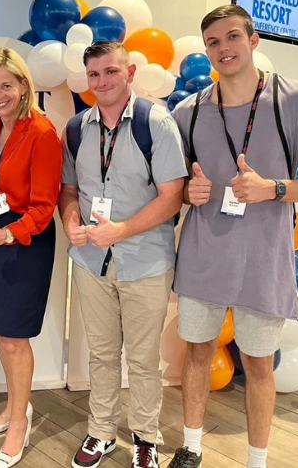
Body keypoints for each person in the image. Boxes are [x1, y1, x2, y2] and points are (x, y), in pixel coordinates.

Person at [168, 5, 298, 468]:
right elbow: (171, 184)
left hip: (264, 259)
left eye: (231, 38)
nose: (223, 49)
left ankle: (257, 460)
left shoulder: (296, 99)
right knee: (198, 353)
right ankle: (191, 446)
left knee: (260, 365)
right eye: (213, 42)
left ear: (253, 40)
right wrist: (188, 188)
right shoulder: (190, 110)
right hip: (204, 257)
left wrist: (275, 188)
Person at [58, 41, 187, 468]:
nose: (102, 82)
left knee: (143, 358)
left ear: (129, 72)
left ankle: (146, 437)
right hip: (92, 262)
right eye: (94, 75)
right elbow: (69, 190)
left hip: (145, 262)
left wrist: (123, 229)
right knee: (101, 352)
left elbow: (173, 197)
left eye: (110, 72)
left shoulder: (157, 123)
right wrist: (70, 220)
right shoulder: (77, 128)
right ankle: (101, 431)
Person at [0, 47, 62, 468]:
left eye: (7, 85)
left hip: (24, 242)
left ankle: (19, 426)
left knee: (13, 336)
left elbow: (45, 208)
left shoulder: (42, 132)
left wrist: (5, 233)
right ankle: (15, 407)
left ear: (24, 85)